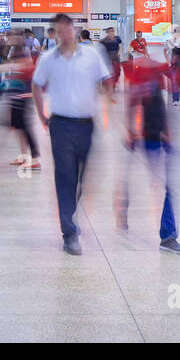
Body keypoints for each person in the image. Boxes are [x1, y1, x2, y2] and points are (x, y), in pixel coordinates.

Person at [32, 14, 114, 255]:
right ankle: (68, 232)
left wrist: (105, 98)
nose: (65, 34)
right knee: (65, 176)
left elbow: (106, 78)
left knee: (80, 179)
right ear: (55, 33)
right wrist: (41, 117)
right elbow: (36, 85)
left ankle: (69, 215)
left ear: (75, 30)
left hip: (86, 125)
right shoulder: (48, 59)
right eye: (60, 31)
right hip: (60, 125)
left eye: (68, 29)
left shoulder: (91, 55)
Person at [116, 40, 180, 254]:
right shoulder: (143, 77)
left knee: (165, 186)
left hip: (159, 138)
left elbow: (161, 106)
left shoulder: (155, 74)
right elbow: (133, 104)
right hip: (149, 139)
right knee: (166, 186)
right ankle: (166, 236)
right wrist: (131, 131)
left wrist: (167, 132)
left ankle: (164, 232)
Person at [0, 30, 40, 170]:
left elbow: (24, 68)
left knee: (25, 127)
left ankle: (34, 158)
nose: (12, 38)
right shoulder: (11, 50)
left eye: (16, 35)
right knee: (18, 127)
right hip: (14, 93)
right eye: (10, 35)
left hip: (23, 94)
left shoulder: (25, 51)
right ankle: (23, 155)